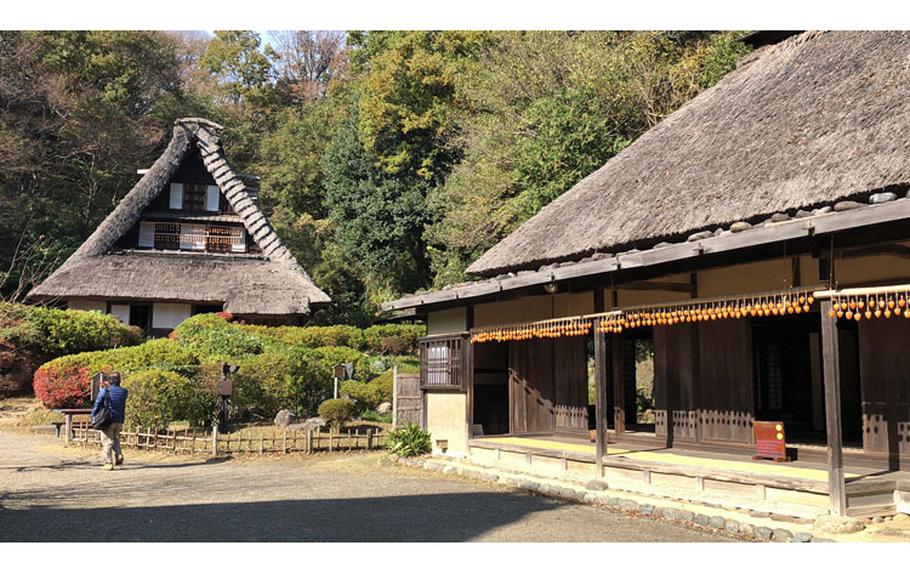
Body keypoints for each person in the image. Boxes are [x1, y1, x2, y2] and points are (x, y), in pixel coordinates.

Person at [92, 372, 128, 471]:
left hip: (108, 419)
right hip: (120, 419)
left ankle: (108, 462)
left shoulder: (105, 390)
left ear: (109, 381)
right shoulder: (124, 392)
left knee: (107, 441)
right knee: (115, 438)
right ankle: (118, 454)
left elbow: (97, 403)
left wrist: (94, 415)